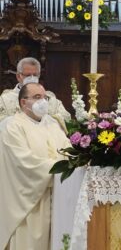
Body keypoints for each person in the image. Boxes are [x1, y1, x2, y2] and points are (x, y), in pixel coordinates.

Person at [0, 83, 71, 250]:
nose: (43, 102)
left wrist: (80, 158)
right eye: (37, 97)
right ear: (23, 102)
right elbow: (22, 162)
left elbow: (67, 148)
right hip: (29, 204)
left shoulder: (52, 124)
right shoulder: (12, 126)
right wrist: (60, 168)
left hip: (57, 197)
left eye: (45, 97)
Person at [0, 57, 71, 122]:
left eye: (35, 75)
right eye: (28, 75)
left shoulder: (50, 98)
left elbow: (66, 118)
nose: (32, 78)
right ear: (18, 76)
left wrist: (46, 120)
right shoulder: (5, 99)